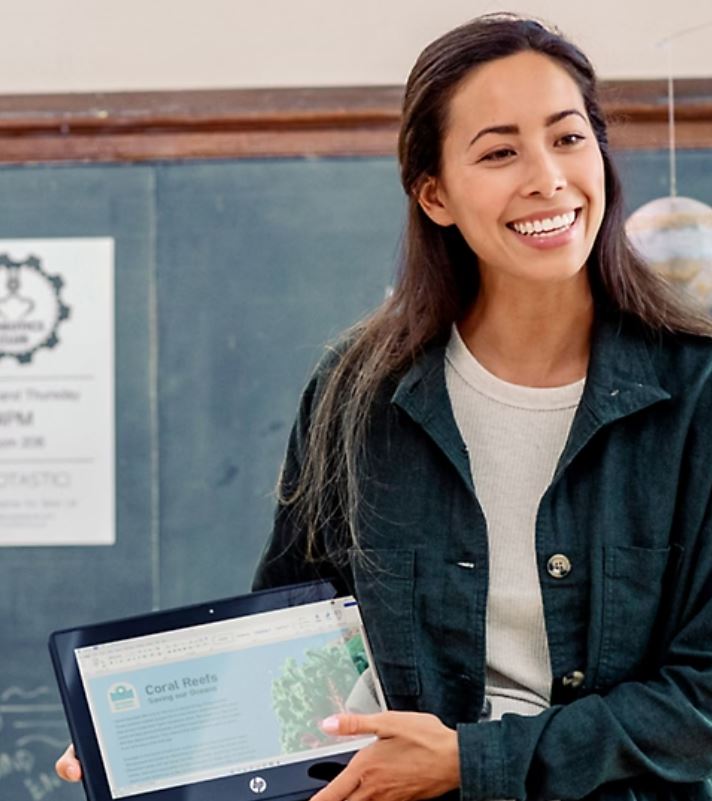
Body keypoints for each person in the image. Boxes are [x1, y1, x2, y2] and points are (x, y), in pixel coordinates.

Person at [57, 13, 712, 801]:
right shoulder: (356, 392)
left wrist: (472, 759)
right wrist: (151, 742)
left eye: (568, 138)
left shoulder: (699, 392)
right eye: (499, 152)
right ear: (434, 194)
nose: (547, 177)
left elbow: (702, 701)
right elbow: (294, 650)